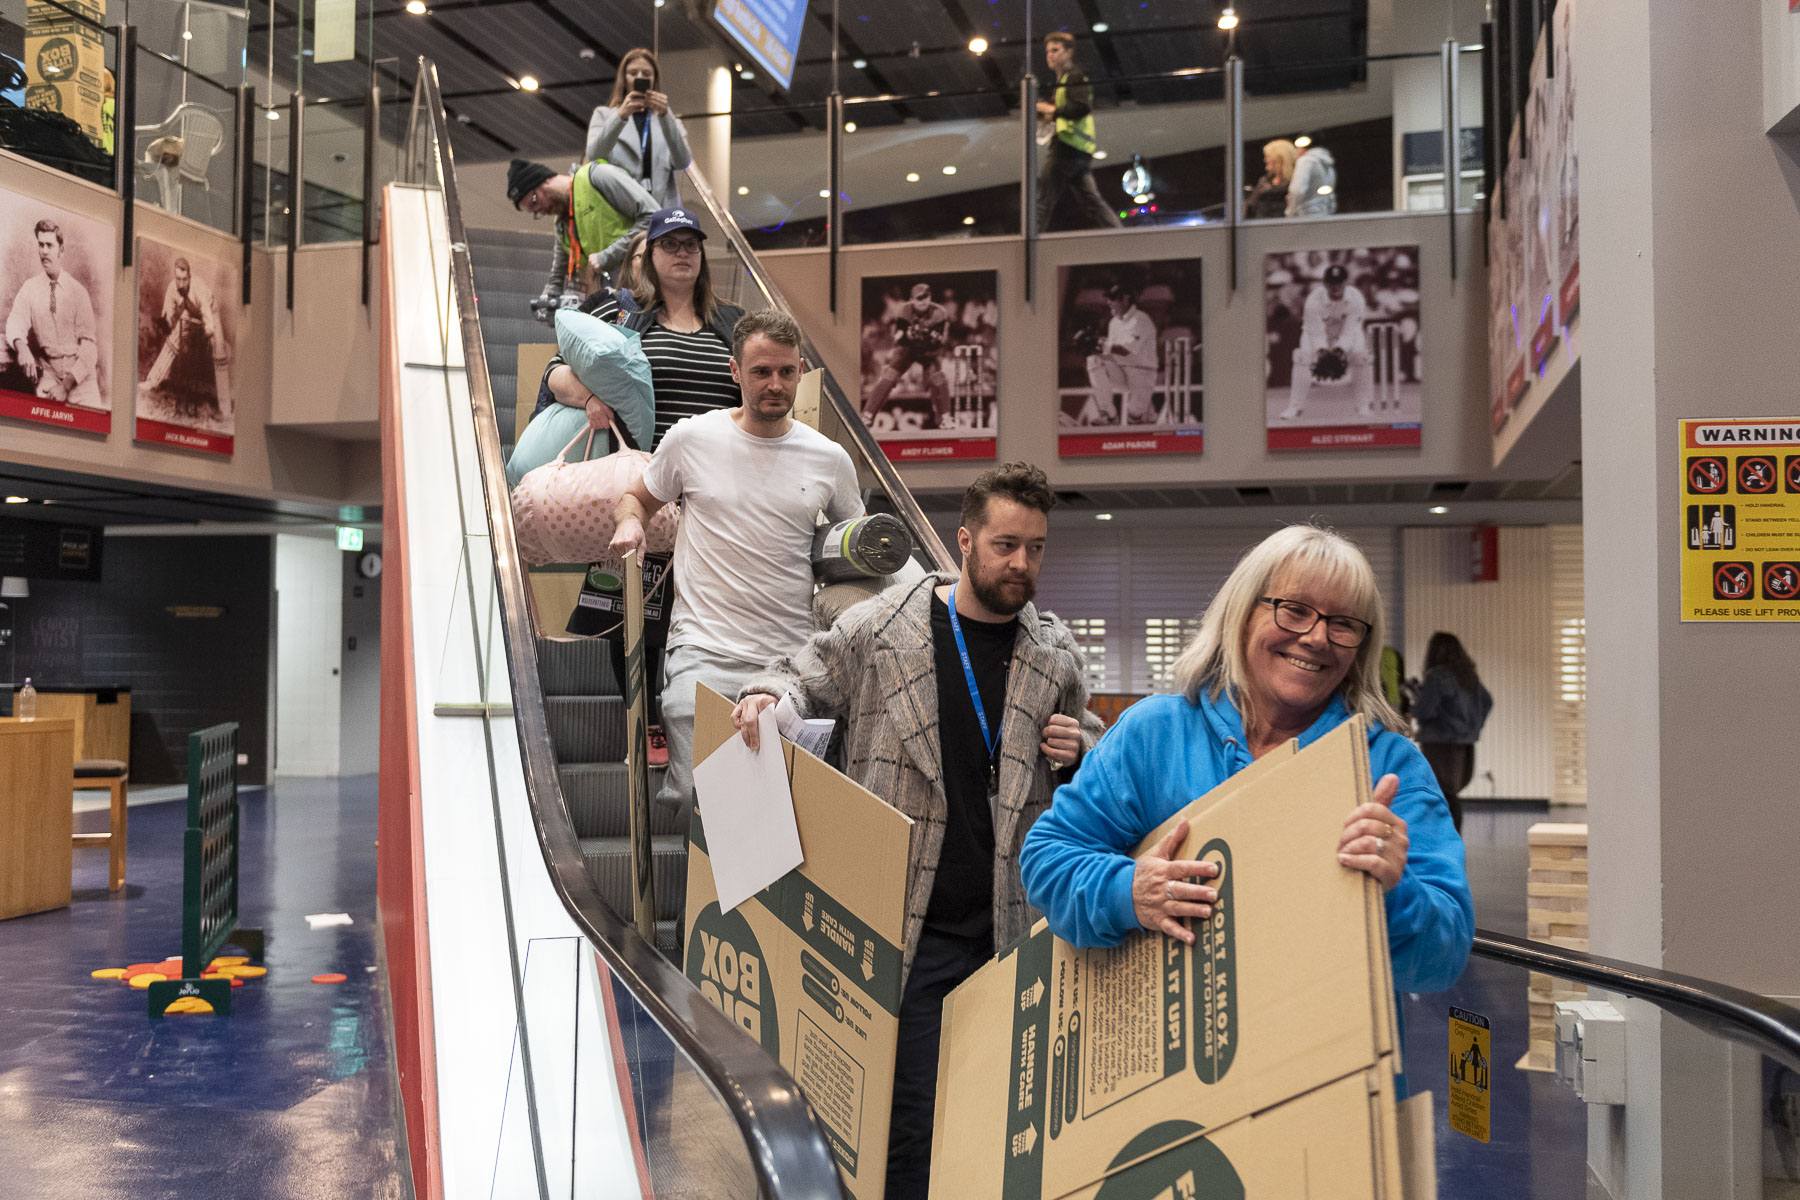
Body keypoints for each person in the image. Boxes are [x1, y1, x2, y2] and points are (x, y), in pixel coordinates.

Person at [729, 462, 1104, 1200]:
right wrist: (766, 698)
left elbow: (1086, 743)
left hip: (1012, 926)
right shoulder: (881, 627)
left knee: (1003, 1118)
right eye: (1004, 545)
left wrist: (1082, 748)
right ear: (964, 542)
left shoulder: (1053, 653)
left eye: (1034, 548)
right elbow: (797, 674)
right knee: (913, 1124)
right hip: (909, 925)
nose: (1021, 564)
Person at [1019, 525, 1472, 1004]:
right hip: (1171, 1038)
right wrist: (1127, 891)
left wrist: (1396, 892)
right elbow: (1049, 858)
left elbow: (1445, 959)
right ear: (1242, 613)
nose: (1317, 637)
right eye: (1294, 610)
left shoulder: (1387, 767)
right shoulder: (1156, 735)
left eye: (1343, 623)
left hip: (1325, 1042)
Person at [609, 308, 863, 819]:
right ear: (734, 371)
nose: (776, 384)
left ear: (801, 370)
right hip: (702, 649)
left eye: (786, 371)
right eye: (761, 371)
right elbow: (635, 498)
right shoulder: (692, 438)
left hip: (789, 660)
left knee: (779, 812)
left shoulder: (829, 457)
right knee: (697, 797)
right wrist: (630, 524)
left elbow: (856, 546)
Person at [507, 156, 658, 314]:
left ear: (545, 180)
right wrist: (548, 299)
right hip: (619, 299)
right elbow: (558, 274)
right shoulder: (562, 223)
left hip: (645, 287)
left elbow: (653, 217)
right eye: (534, 212)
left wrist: (608, 255)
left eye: (534, 201)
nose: (540, 211)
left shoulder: (596, 176)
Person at [1034, 32, 1123, 233]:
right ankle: (1120, 234)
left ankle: (1028, 242)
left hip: (1067, 147)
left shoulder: (1074, 77)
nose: (1050, 55)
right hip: (1078, 149)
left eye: (1055, 50)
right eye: (1048, 52)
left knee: (1043, 199)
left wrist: (1052, 110)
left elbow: (1081, 107)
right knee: (1092, 201)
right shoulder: (1064, 80)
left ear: (1068, 52)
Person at [7, 219, 100, 408]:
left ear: (61, 250)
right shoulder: (30, 288)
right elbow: (15, 321)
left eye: (49, 245)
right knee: (41, 417)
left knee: (93, 421)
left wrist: (65, 386)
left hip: (80, 378)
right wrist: (21, 347)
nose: (44, 251)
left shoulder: (77, 291)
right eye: (41, 245)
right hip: (50, 374)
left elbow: (89, 348)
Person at [584, 48, 693, 209]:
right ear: (624, 78)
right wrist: (620, 116)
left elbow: (683, 162)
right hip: (621, 212)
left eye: (647, 74)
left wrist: (665, 116)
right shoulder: (604, 115)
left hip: (661, 213)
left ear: (654, 79)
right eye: (633, 73)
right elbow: (594, 155)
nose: (640, 77)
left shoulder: (669, 121)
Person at [1410, 632, 1492, 832]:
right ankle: (1453, 838)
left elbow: (1425, 710)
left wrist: (1413, 706)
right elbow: (1487, 701)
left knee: (1441, 793)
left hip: (1439, 745)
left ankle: (1445, 838)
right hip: (1464, 744)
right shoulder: (1468, 676)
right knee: (1451, 794)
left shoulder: (1436, 676)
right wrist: (1473, 727)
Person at [1278, 263, 1374, 421]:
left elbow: (1350, 330)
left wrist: (1340, 349)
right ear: (1324, 283)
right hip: (1316, 333)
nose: (1335, 287)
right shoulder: (1313, 301)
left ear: (1346, 282)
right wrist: (1322, 351)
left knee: (1361, 357)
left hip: (1346, 333)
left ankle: (1363, 405)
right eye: (1331, 283)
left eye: (1339, 282)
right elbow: (1316, 332)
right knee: (1302, 357)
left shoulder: (1356, 298)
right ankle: (1294, 407)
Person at [143, 255, 230, 415]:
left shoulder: (198, 288)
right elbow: (167, 314)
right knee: (172, 340)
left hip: (210, 313)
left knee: (219, 353)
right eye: (178, 279)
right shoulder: (172, 288)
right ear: (175, 277)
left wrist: (206, 334)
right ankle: (152, 381)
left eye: (184, 279)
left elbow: (207, 318)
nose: (181, 283)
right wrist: (165, 325)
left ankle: (225, 406)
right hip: (189, 313)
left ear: (189, 277)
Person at [862, 282, 953, 428]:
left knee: (938, 378)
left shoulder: (939, 313)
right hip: (908, 350)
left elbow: (937, 343)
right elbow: (900, 338)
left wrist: (920, 336)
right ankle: (867, 415)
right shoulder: (905, 310)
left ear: (930, 297)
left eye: (926, 297)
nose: (923, 301)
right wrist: (912, 336)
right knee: (889, 375)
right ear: (912, 300)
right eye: (919, 298)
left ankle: (944, 417)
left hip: (928, 352)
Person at [1084, 282, 1158, 425]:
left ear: (1125, 299)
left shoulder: (1140, 318)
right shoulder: (1114, 323)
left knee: (1135, 416)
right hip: (1121, 372)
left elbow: (1126, 350)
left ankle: (1146, 412)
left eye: (1113, 299)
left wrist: (1100, 343)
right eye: (1108, 299)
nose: (1108, 302)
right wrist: (1095, 347)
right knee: (1093, 360)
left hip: (1142, 373)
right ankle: (1108, 414)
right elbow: (1110, 351)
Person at [1247, 138, 1296, 219]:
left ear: (1279, 159)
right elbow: (1251, 205)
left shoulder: (1295, 182)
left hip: (1285, 224)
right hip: (1261, 223)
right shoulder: (1264, 181)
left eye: (1268, 156)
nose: (1265, 159)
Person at [1288, 140, 1338, 216]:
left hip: (1305, 215)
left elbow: (1297, 190)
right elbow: (1330, 191)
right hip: (1324, 213)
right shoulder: (1326, 162)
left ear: (1301, 148)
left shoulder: (1305, 161)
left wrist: (1290, 213)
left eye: (1296, 148)